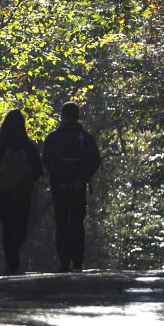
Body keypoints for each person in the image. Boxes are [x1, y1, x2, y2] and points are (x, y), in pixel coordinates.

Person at [41, 101, 101, 272]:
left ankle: (63, 262)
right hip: (78, 185)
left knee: (61, 222)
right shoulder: (85, 137)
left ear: (62, 115)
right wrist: (83, 179)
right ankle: (78, 262)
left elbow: (46, 160)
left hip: (59, 186)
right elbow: (95, 160)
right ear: (78, 116)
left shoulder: (53, 137)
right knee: (77, 222)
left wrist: (58, 178)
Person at [0, 108, 43, 274]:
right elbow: (39, 169)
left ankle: (10, 260)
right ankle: (16, 250)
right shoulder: (28, 146)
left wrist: (0, 180)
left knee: (7, 227)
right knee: (21, 226)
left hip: (3, 193)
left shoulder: (0, 146)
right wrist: (28, 181)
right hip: (23, 192)